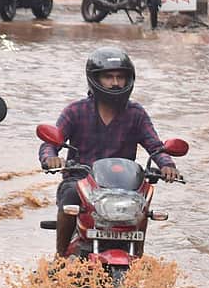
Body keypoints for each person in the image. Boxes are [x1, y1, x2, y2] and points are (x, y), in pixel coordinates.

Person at [39, 46, 181, 258]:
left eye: (120, 77)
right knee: (69, 195)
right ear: (95, 79)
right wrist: (50, 157)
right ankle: (60, 258)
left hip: (123, 187)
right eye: (108, 77)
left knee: (144, 200)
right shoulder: (76, 111)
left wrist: (167, 165)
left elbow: (155, 146)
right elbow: (51, 141)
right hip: (82, 182)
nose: (115, 83)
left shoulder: (136, 114)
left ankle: (137, 261)